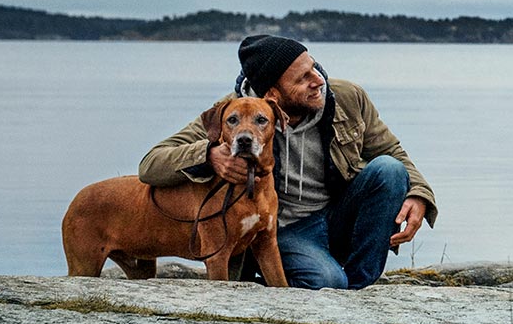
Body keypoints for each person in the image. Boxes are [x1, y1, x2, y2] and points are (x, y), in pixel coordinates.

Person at [138, 35, 436, 289]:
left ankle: (359, 290)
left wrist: (419, 195)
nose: (318, 80)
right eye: (302, 78)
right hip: (280, 231)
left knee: (389, 171)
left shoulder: (347, 97)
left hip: (334, 214)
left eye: (314, 68)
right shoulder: (234, 115)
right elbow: (151, 164)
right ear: (272, 94)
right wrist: (208, 155)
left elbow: (394, 152)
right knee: (328, 282)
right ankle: (311, 280)